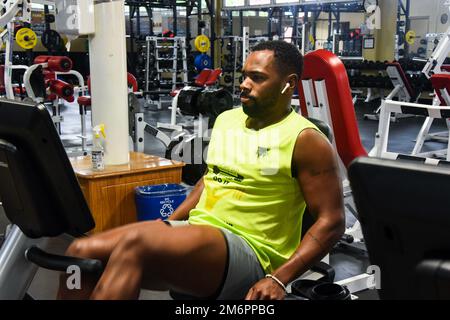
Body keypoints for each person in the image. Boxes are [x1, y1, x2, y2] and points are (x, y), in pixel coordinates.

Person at [57, 40, 345, 300]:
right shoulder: (227, 120)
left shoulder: (305, 139)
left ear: (288, 83)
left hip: (252, 252)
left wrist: (278, 279)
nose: (244, 84)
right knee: (82, 253)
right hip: (201, 234)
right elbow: (210, 181)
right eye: (244, 76)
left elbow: (331, 222)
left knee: (136, 244)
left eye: (257, 78)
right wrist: (168, 223)